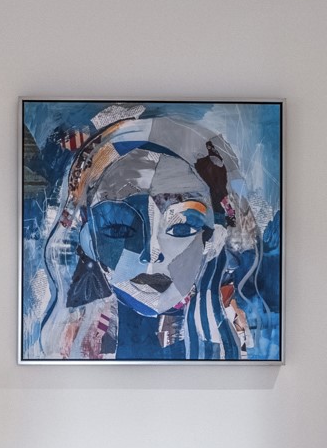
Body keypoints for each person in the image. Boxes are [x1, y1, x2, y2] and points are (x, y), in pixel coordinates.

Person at [23, 103, 279, 361]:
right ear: (89, 238)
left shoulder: (240, 345)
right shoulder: (69, 346)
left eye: (182, 227)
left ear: (214, 239)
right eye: (118, 227)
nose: (151, 253)